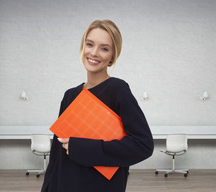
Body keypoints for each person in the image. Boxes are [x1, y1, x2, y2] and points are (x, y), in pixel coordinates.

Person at [41, 19, 154, 192]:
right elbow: (56, 156)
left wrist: (81, 148)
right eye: (89, 44)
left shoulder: (118, 90)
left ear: (112, 56)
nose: (94, 53)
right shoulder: (70, 95)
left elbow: (143, 145)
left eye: (104, 48)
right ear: (83, 47)